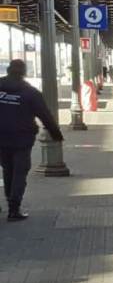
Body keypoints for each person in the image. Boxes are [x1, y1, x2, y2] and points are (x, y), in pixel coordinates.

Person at [0, 59, 64, 221]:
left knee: (8, 170)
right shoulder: (30, 92)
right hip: (22, 140)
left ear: (8, 70)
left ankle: (10, 201)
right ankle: (14, 209)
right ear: (23, 72)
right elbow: (45, 115)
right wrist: (56, 134)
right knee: (19, 172)